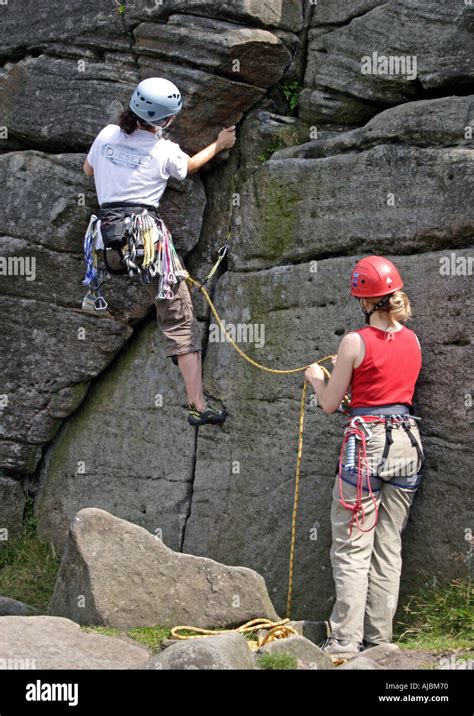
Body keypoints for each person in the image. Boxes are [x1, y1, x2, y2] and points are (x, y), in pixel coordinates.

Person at [82, 77, 236, 426]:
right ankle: (197, 403)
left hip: (106, 241)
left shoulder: (107, 134)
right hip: (144, 239)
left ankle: (180, 355)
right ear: (166, 121)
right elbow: (189, 167)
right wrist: (220, 143)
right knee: (180, 314)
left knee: (164, 303)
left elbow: (88, 169)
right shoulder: (164, 150)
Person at [304, 256, 424, 658]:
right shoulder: (412, 339)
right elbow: (387, 389)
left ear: (363, 300)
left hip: (368, 446)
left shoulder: (353, 341)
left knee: (353, 546)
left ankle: (343, 642)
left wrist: (318, 379)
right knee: (389, 545)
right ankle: (380, 640)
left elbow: (330, 403)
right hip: (407, 442)